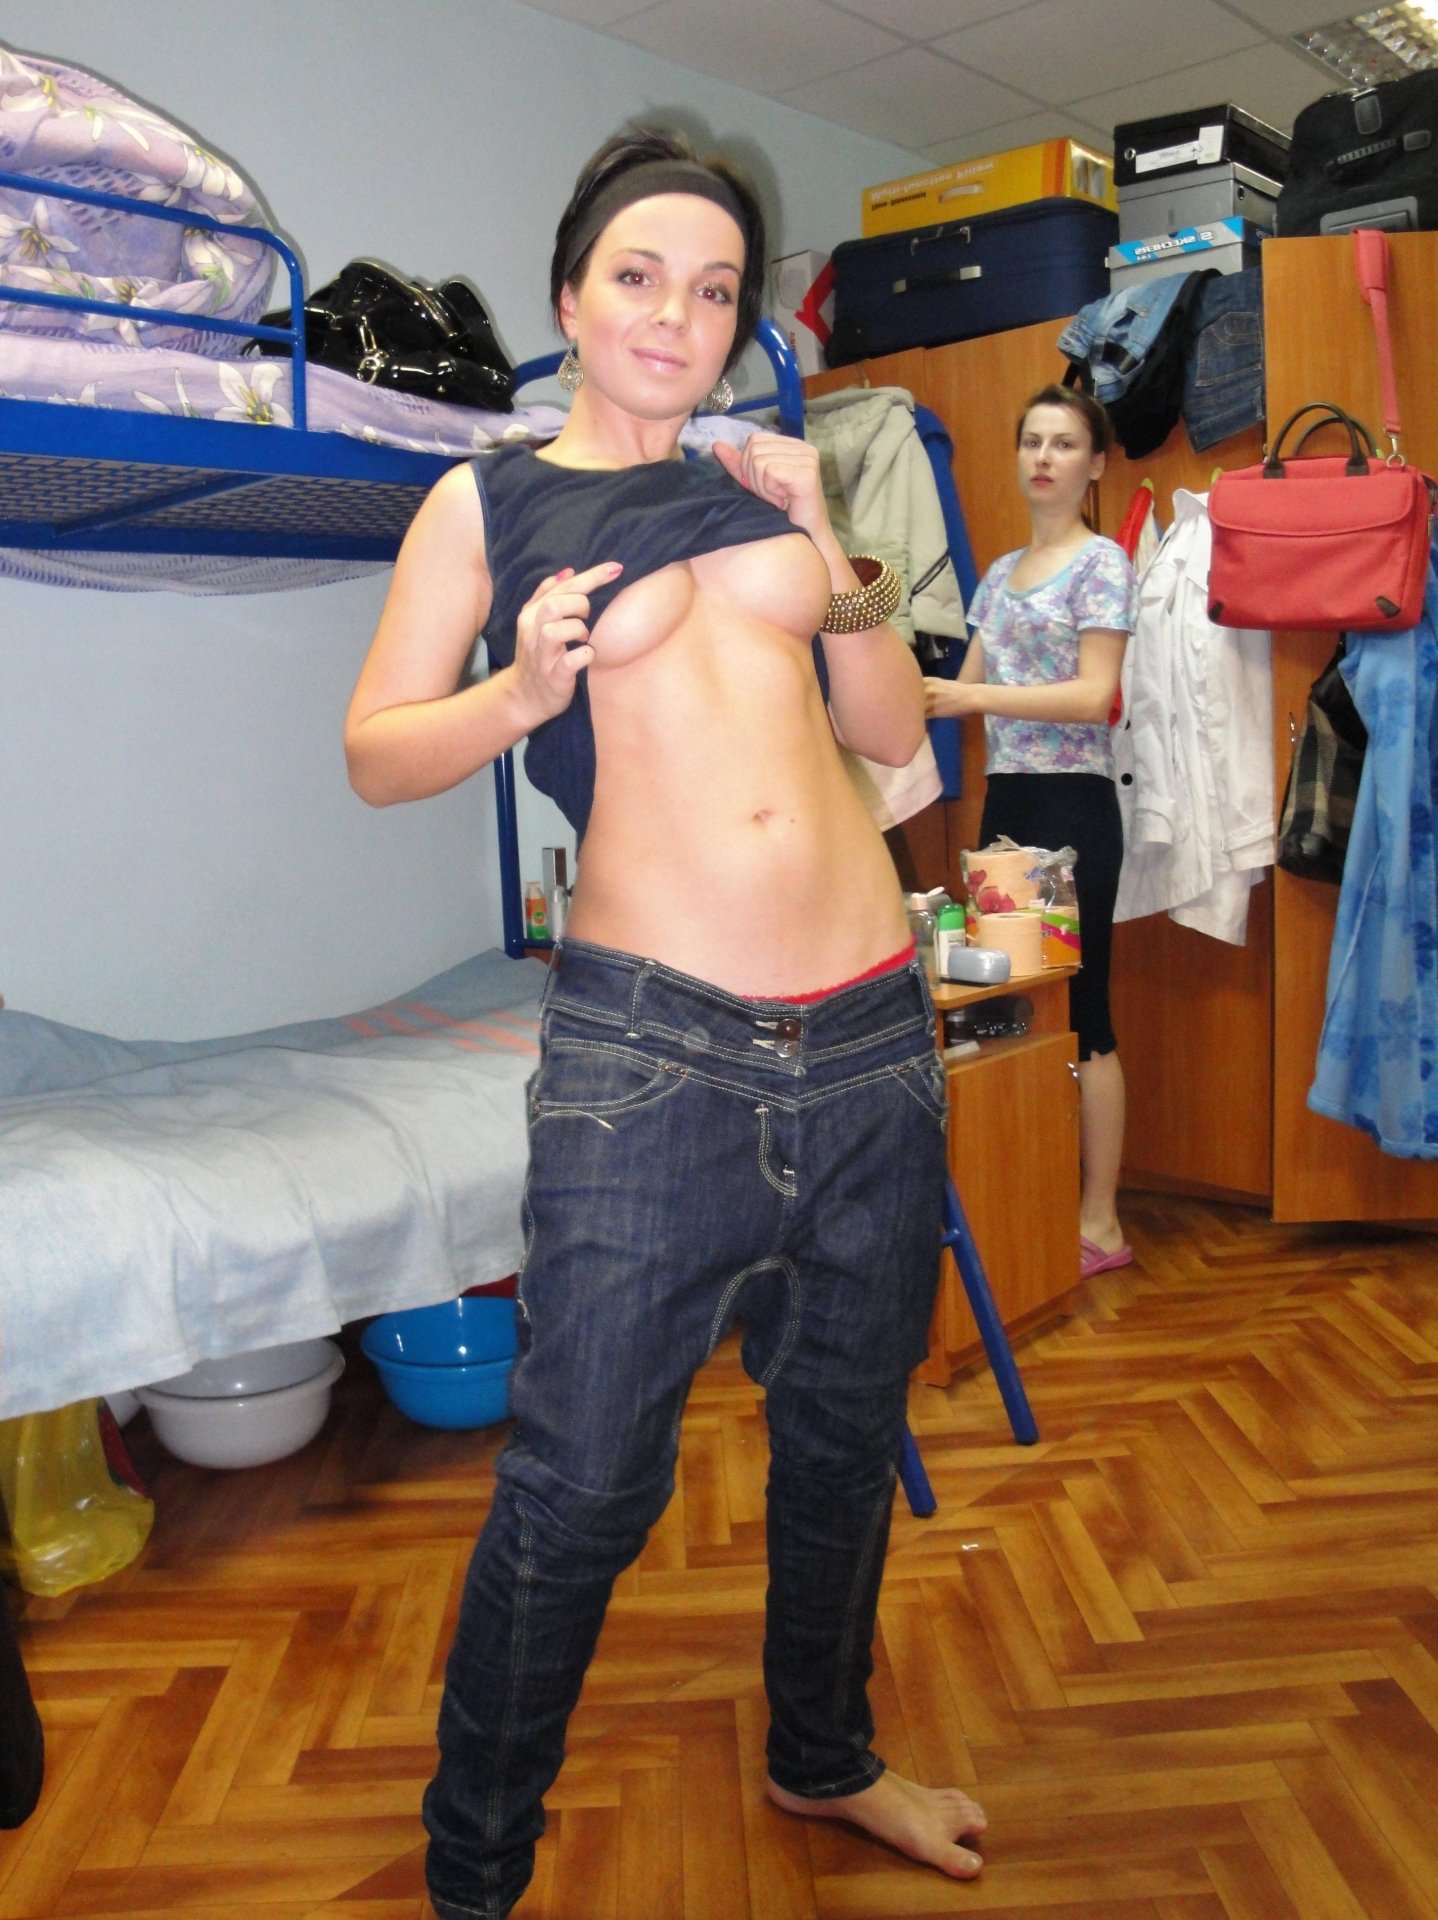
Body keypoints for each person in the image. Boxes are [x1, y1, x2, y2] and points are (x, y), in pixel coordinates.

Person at [344, 126, 987, 1920]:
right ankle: (475, 1870)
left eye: (711, 291)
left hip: (869, 1033)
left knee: (842, 1439)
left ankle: (822, 1754)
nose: (673, 317)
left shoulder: (760, 487)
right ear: (569, 298)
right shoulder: (484, 504)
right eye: (637, 277)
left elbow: (887, 730)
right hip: (650, 1058)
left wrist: (826, 532)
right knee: (579, 1488)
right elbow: (375, 751)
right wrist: (518, 691)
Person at [924, 385, 1138, 1278]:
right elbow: (958, 691)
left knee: (1084, 1014)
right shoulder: (999, 573)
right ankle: (1034, 1199)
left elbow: (1093, 697)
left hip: (1072, 811)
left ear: (1095, 464)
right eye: (1032, 442)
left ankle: (1103, 1223)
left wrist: (967, 694)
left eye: (1064, 444)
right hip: (1007, 806)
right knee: (1006, 1007)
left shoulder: (1102, 564)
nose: (1044, 458)